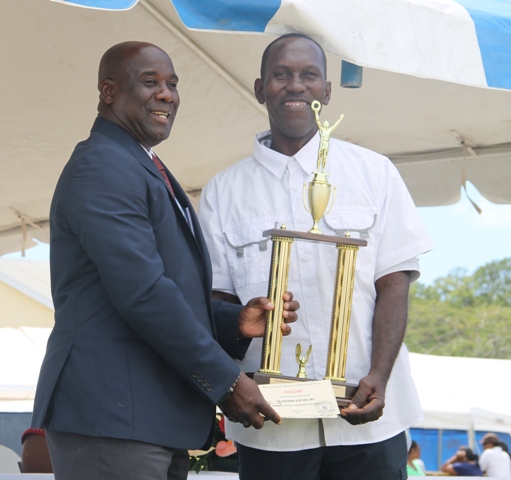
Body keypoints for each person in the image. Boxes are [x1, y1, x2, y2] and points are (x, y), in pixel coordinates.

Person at [30, 41, 299, 480]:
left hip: (145, 419)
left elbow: (163, 287)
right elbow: (143, 293)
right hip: (112, 417)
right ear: (109, 91)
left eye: (173, 84)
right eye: (150, 82)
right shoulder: (102, 165)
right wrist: (227, 382)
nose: (167, 94)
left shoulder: (139, 164)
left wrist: (234, 322)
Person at [198, 33, 433, 480]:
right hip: (272, 426)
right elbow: (218, 305)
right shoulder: (223, 192)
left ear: (327, 91)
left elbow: (394, 283)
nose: (296, 86)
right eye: (281, 75)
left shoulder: (374, 172)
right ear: (259, 88)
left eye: (309, 76)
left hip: (368, 420)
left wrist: (379, 374)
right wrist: (231, 386)